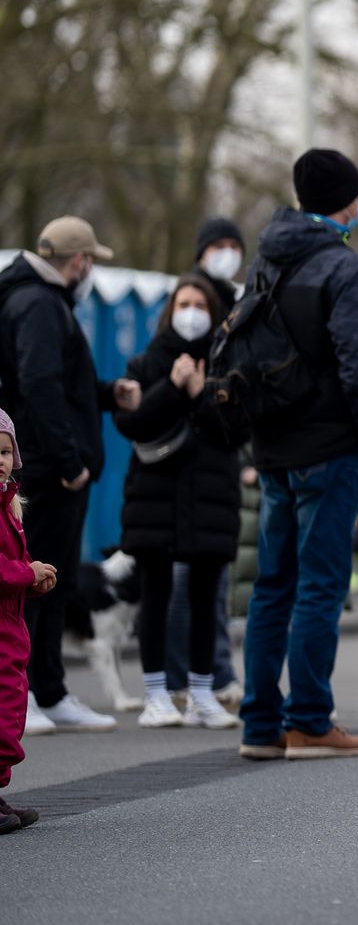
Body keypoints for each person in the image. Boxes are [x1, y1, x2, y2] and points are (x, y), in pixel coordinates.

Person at [238, 149, 358, 761]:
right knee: (321, 585)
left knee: (272, 585)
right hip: (330, 448)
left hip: (273, 444)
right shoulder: (344, 270)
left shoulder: (265, 262)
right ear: (344, 201)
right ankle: (309, 720)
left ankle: (259, 725)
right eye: (357, 194)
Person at [0, 216, 138, 734]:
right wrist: (69, 462)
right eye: (90, 262)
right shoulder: (38, 303)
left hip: (49, 464)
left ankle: (51, 691)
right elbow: (38, 384)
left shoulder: (37, 299)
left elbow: (60, 382)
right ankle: (29, 694)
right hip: (51, 470)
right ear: (78, 261)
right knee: (34, 585)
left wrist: (107, 393)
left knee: (54, 583)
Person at [113, 278, 244, 729]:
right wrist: (170, 387)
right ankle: (156, 694)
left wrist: (200, 394)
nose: (192, 312)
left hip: (210, 498)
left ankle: (203, 694)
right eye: (184, 304)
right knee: (157, 594)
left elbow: (237, 430)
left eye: (200, 305)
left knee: (207, 597)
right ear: (171, 311)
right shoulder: (145, 362)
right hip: (156, 497)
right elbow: (130, 423)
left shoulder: (228, 360)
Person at [1, 410, 53, 834]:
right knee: (2, 711)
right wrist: (25, 573)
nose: (0, 460)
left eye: (5, 451)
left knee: (13, 705)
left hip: (11, 627)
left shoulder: (8, 504)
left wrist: (32, 576)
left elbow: (11, 565)